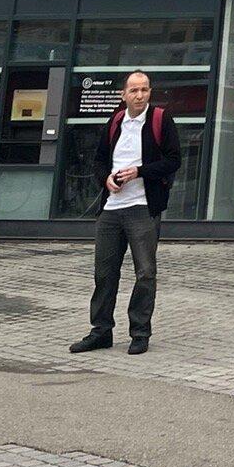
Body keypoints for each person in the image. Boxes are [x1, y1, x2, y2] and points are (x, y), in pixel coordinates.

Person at [69, 70, 181, 357]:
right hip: (111, 209)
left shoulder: (160, 119)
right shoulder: (116, 121)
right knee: (104, 273)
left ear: (150, 92)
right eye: (134, 90)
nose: (139, 95)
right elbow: (98, 161)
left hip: (142, 208)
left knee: (145, 273)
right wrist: (106, 178)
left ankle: (140, 333)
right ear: (124, 95)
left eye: (144, 89)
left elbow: (173, 160)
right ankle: (101, 331)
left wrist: (139, 172)